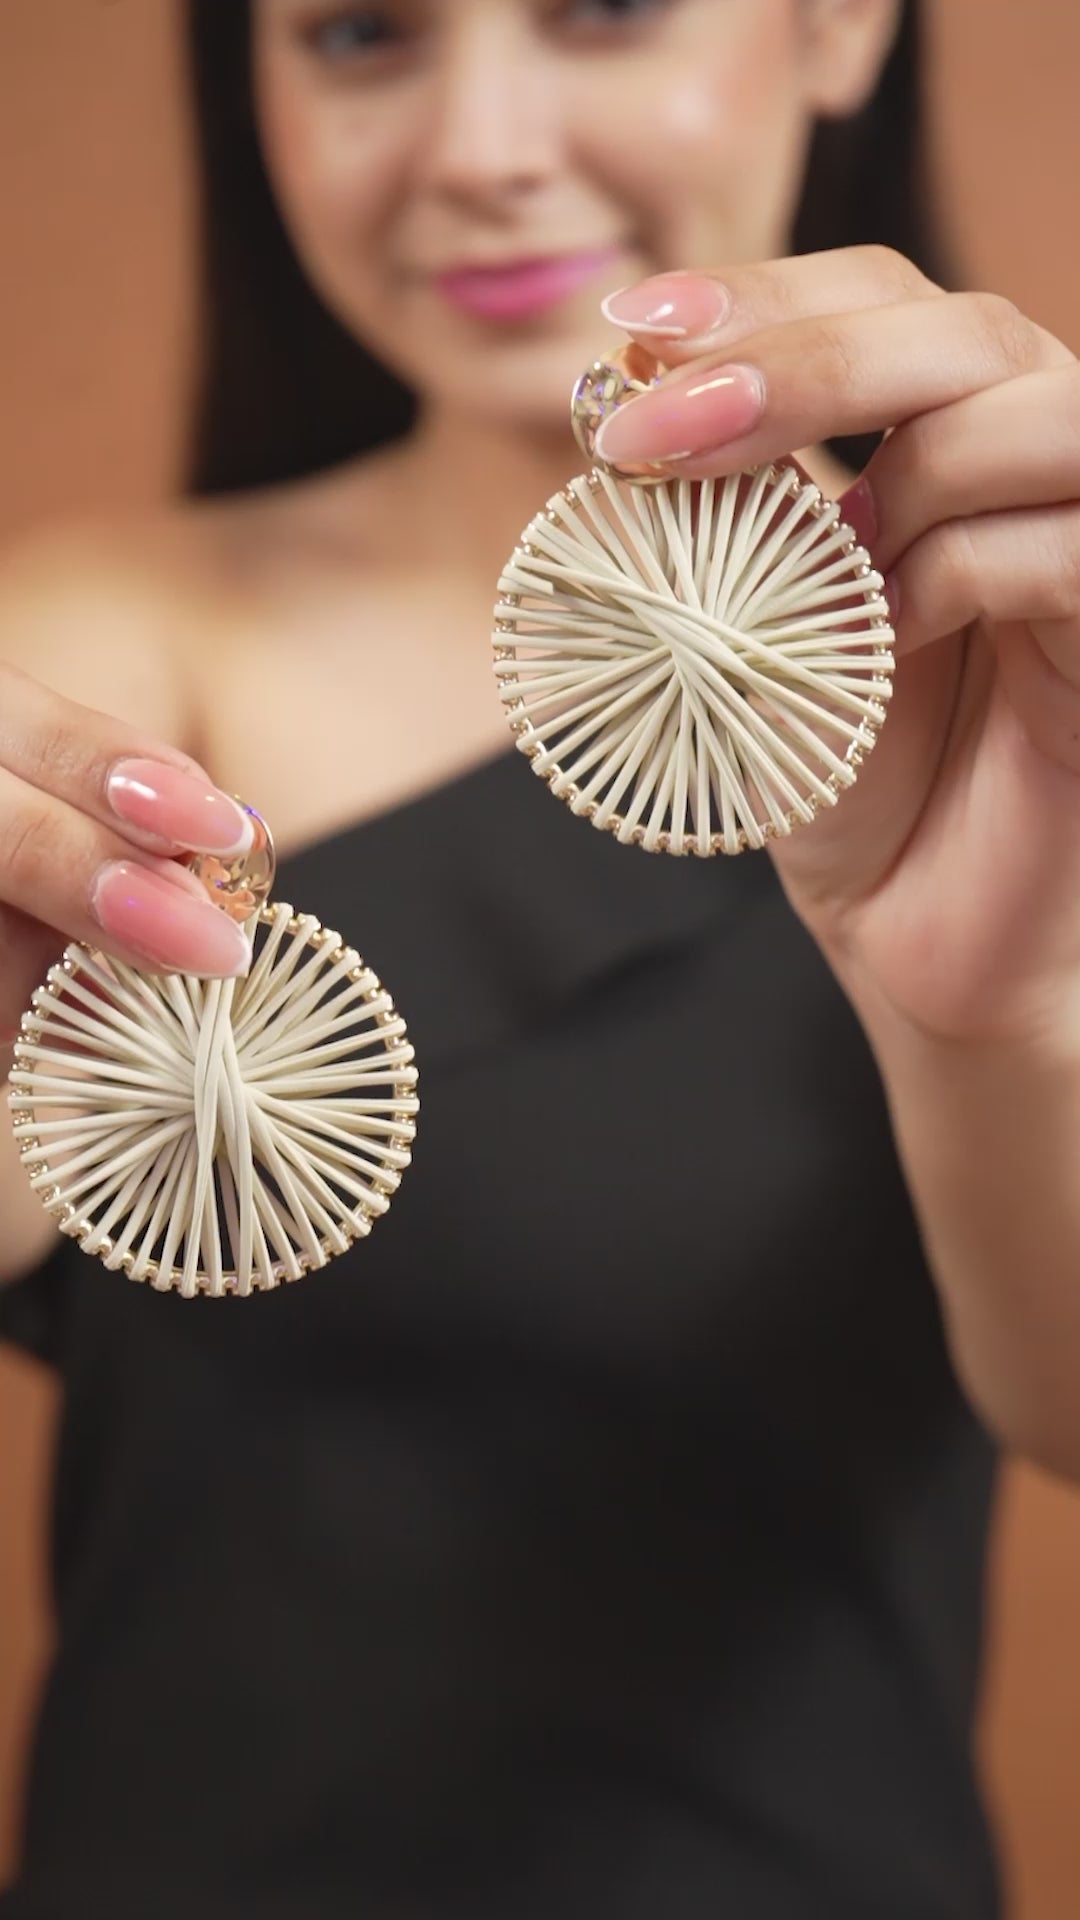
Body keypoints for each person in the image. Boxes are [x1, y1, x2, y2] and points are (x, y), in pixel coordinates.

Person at [0, 0, 1078, 1913]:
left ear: (840, 23)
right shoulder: (77, 664)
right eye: (361, 33)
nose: (483, 146)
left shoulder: (1026, 690)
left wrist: (1010, 1018)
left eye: (601, 7)